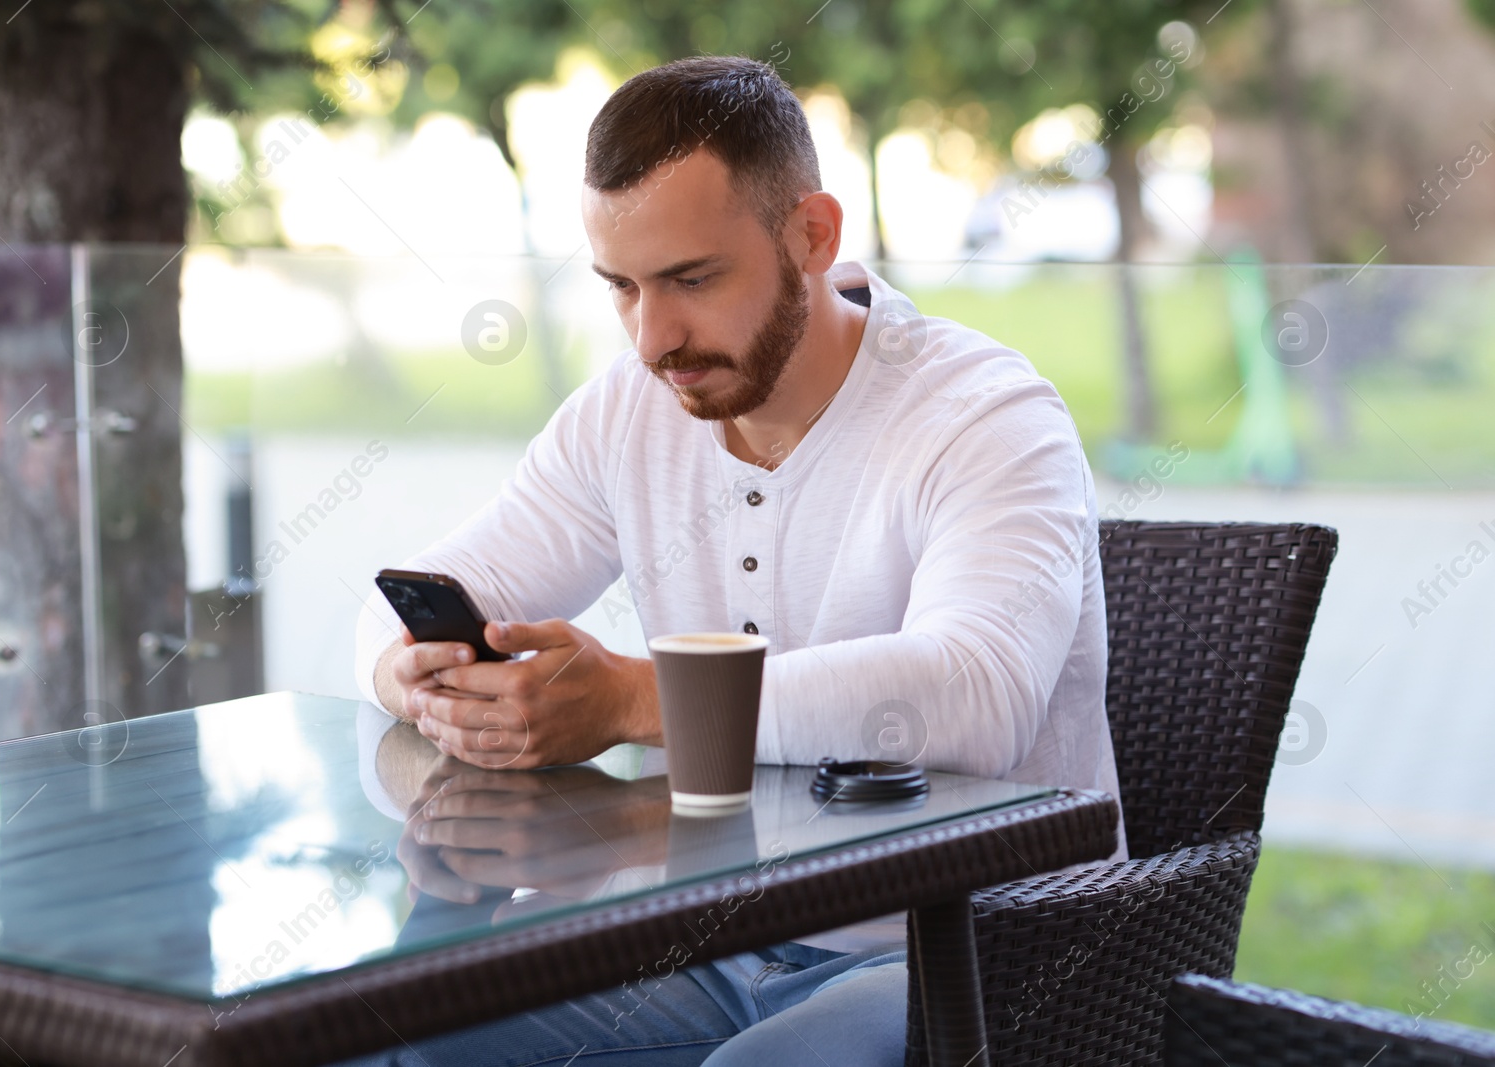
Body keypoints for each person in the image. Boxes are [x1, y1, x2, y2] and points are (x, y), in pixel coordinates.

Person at [348, 54, 1124, 1067]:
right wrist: (414, 675)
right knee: (373, 1029)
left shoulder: (985, 413)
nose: (653, 338)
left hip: (971, 952)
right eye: (621, 287)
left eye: (692, 279)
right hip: (710, 936)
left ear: (812, 234)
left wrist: (634, 699)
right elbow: (404, 601)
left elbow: (977, 691)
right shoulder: (628, 412)